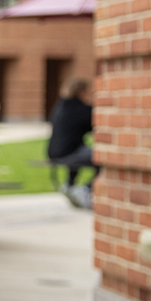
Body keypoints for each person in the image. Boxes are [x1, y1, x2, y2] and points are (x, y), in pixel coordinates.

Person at [47, 76, 97, 207]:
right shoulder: (81, 109)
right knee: (101, 158)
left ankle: (69, 185)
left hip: (53, 152)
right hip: (67, 152)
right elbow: (95, 126)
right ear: (81, 92)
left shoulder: (60, 105)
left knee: (81, 150)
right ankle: (85, 189)